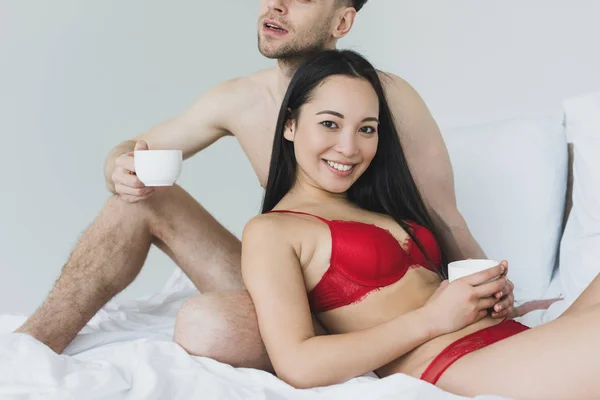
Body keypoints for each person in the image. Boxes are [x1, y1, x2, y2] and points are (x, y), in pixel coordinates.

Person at [15, 0, 535, 370]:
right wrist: (118, 167)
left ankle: (351, 353)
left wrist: (487, 297)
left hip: (374, 297)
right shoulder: (239, 99)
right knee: (139, 205)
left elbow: (444, 216)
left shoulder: (386, 99)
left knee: (211, 323)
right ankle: (27, 350)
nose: (276, 6)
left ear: (342, 19)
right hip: (294, 287)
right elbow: (137, 148)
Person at [240, 48, 599, 400]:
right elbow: (298, 364)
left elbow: (428, 295)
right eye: (330, 124)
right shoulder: (272, 231)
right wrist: (433, 318)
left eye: (367, 129)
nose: (349, 148)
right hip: (459, 363)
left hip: (511, 338)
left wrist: (492, 301)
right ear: (290, 124)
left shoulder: (380, 209)